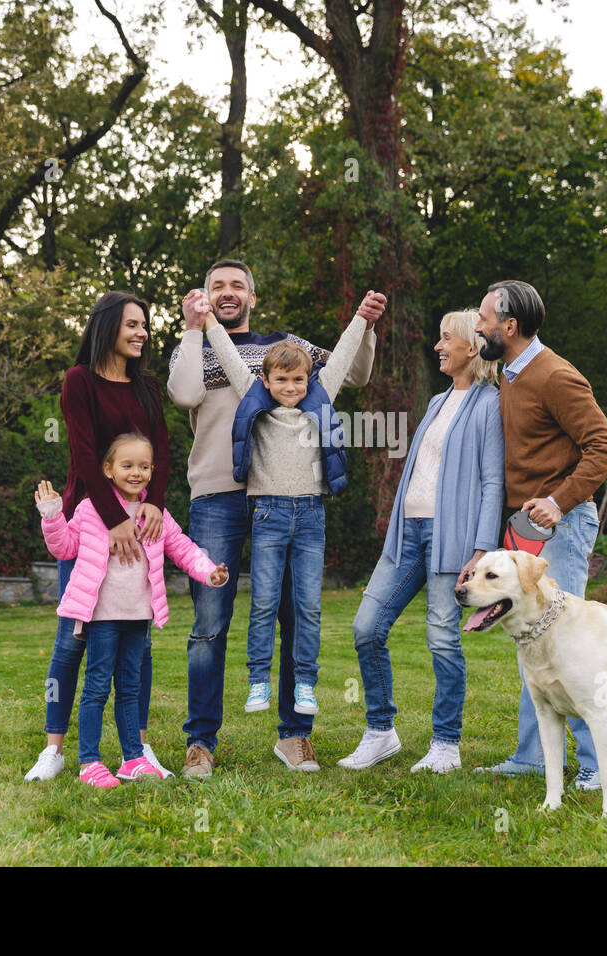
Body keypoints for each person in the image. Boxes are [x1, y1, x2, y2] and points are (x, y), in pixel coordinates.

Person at [167, 258, 383, 776]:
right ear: (205, 294)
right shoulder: (192, 344)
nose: (226, 291)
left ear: (252, 296)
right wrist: (194, 329)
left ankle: (294, 736)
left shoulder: (284, 347)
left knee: (293, 613)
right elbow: (185, 394)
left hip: (287, 497)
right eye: (216, 285)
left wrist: (367, 326)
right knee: (210, 622)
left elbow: (352, 373)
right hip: (218, 495)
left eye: (237, 285)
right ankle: (201, 741)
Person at [338, 311, 504, 773]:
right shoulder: (436, 401)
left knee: (442, 640)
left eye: (445, 337)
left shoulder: (490, 403)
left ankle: (446, 745)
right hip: (408, 533)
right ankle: (380, 732)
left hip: (452, 539)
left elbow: (493, 481)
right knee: (366, 627)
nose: (438, 346)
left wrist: (481, 548)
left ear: (472, 346)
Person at [471, 280, 607, 787]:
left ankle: (598, 767)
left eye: (484, 319)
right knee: (534, 639)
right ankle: (533, 756)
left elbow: (606, 446)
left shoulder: (556, 375)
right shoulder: (511, 373)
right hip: (529, 528)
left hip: (564, 522)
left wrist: (558, 502)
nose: (477, 326)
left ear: (509, 328)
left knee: (568, 643)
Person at [24, 292, 174, 783]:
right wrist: (114, 521)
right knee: (72, 642)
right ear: (108, 326)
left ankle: (138, 749)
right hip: (91, 526)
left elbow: (164, 456)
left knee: (140, 646)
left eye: (145, 326)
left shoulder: (148, 386)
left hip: (142, 529)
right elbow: (86, 457)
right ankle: (55, 748)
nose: (142, 333)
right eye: (132, 324)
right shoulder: (79, 381)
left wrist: (154, 505)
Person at [206, 300, 371, 725]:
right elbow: (226, 352)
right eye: (281, 380)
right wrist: (206, 318)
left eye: (299, 379)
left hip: (311, 517)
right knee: (262, 601)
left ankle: (304, 683)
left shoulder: (321, 394)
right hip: (268, 516)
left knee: (308, 607)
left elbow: (345, 351)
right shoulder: (253, 395)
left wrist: (362, 318)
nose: (292, 387)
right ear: (266, 379)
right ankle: (258, 679)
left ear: (309, 378)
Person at [34, 433, 228, 788]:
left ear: (152, 471)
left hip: (138, 617)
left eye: (143, 466)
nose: (136, 472)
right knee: (96, 688)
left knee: (129, 688)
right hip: (101, 618)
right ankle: (89, 762)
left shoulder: (154, 515)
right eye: (127, 465)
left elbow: (181, 547)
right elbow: (64, 548)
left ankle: (132, 758)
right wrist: (51, 517)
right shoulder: (90, 509)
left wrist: (208, 571)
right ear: (108, 470)